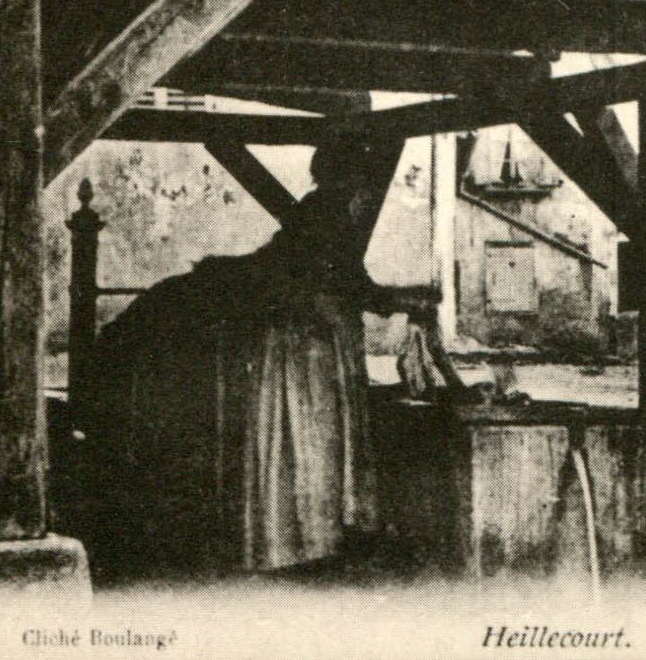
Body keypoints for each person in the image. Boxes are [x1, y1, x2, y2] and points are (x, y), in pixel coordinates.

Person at [85, 136, 439, 580]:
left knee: (299, 440)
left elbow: (296, 267)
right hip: (306, 347)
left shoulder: (316, 211)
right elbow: (344, 280)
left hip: (302, 341)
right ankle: (304, 537)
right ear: (349, 176)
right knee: (307, 438)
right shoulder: (329, 214)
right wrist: (399, 302)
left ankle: (296, 534)